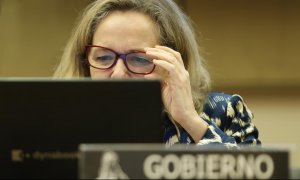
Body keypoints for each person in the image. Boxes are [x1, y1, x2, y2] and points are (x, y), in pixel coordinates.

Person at [54, 0, 261, 147]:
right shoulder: (60, 121)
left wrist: (190, 120)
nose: (118, 74)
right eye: (103, 58)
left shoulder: (224, 112)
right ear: (84, 62)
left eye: (139, 59)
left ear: (174, 62)